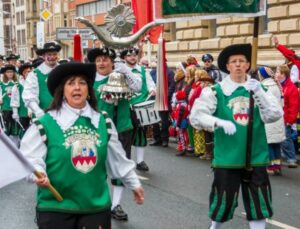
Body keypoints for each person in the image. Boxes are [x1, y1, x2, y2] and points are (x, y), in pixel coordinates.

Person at [20, 62, 144, 229]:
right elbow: (30, 159)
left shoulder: (103, 121)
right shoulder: (45, 123)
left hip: (95, 207)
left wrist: (134, 183)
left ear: (88, 90)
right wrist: (38, 174)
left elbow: (118, 159)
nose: (77, 88)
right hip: (56, 207)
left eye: (82, 83)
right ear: (62, 90)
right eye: (71, 83)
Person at [190, 44, 283, 229]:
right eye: (234, 61)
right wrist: (217, 122)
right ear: (228, 66)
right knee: (222, 203)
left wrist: (258, 92)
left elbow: (274, 114)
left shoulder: (259, 90)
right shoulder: (216, 91)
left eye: (242, 61)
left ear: (248, 65)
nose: (238, 64)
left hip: (255, 156)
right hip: (227, 157)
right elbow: (196, 116)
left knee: (258, 205)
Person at [87, 47, 142, 221]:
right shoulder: (89, 81)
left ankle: (115, 204)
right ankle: (96, 200)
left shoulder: (123, 75)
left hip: (122, 127)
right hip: (97, 129)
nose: (102, 63)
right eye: (98, 60)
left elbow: (138, 86)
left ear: (112, 62)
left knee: (121, 166)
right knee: (94, 166)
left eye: (105, 59)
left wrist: (125, 69)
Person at [121, 47, 156, 171]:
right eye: (130, 56)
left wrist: (152, 90)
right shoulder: (121, 71)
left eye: (135, 55)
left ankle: (140, 161)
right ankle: (125, 160)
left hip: (141, 105)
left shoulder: (143, 70)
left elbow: (151, 84)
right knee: (125, 133)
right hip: (125, 107)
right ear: (124, 57)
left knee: (141, 133)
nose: (133, 57)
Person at [258, 66, 286, 175]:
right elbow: (282, 103)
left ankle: (270, 166)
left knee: (269, 144)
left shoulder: (264, 86)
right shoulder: (277, 85)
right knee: (276, 144)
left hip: (269, 119)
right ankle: (277, 166)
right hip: (278, 119)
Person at [22, 41, 61, 118]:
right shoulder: (35, 74)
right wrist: (37, 110)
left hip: (62, 114)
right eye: (49, 55)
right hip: (43, 115)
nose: (52, 57)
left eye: (54, 54)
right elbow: (29, 95)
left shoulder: (63, 71)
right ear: (43, 56)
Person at [274, 64, 299, 168]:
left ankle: (291, 158)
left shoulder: (290, 87)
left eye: (277, 72)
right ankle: (281, 158)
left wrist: (291, 120)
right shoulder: (279, 85)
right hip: (278, 117)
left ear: (283, 74)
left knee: (286, 139)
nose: (275, 74)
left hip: (285, 118)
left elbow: (294, 106)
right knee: (279, 139)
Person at [150, 60, 175, 147]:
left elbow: (172, 85)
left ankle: (165, 139)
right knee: (154, 120)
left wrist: (166, 95)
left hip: (164, 99)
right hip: (154, 99)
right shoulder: (153, 72)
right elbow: (150, 84)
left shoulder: (170, 72)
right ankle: (157, 138)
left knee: (164, 120)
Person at [10, 63, 33, 138]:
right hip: (23, 113)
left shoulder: (35, 84)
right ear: (23, 73)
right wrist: (15, 113)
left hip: (34, 113)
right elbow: (14, 101)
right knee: (24, 133)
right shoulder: (17, 86)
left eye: (30, 71)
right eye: (27, 72)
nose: (29, 73)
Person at [0, 64, 20, 145]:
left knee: (15, 131)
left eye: (12, 72)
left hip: (16, 110)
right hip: (5, 109)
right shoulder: (1, 84)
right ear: (5, 73)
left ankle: (15, 148)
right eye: (8, 72)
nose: (10, 74)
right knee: (6, 130)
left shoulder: (18, 84)